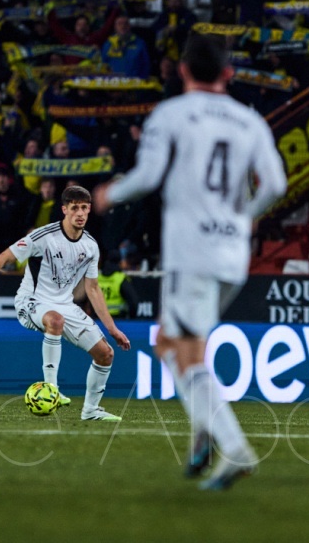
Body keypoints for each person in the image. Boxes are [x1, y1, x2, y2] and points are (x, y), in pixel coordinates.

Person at [92, 35, 287, 490]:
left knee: (179, 350)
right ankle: (202, 436)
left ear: (182, 71)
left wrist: (109, 193)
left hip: (192, 251)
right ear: (228, 73)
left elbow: (148, 175)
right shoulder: (250, 121)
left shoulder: (172, 113)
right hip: (233, 252)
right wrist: (245, 218)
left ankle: (233, 448)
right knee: (175, 345)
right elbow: (276, 184)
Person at [0, 185, 130, 422]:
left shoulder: (90, 246)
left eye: (84, 208)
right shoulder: (43, 237)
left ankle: (91, 411)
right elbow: (3, 258)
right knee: (55, 320)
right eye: (74, 208)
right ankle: (52, 390)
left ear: (89, 209)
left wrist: (112, 328)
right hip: (31, 301)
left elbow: (92, 288)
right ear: (64, 210)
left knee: (105, 354)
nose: (80, 213)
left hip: (65, 305)